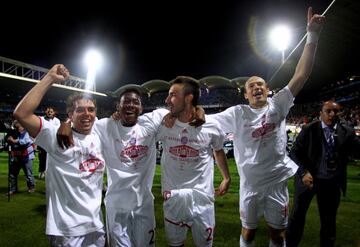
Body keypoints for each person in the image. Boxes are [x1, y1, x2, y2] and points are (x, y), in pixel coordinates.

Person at [208, 7, 324, 247]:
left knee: (278, 235)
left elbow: (301, 75)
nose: (257, 88)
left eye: (260, 84)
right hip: (250, 185)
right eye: (252, 86)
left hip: (276, 184)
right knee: (248, 233)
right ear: (245, 93)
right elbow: (204, 120)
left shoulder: (278, 104)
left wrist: (312, 35)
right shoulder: (238, 113)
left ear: (267, 88)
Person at [56, 85, 205, 247]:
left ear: (141, 107)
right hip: (116, 206)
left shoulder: (153, 122)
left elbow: (182, 111)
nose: (130, 105)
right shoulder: (105, 126)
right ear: (118, 107)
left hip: (144, 205)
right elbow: (82, 121)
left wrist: (199, 109)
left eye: (135, 102)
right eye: (125, 102)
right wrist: (66, 123)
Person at [13, 64, 106, 247]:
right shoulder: (54, 134)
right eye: (80, 110)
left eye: (91, 109)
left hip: (96, 226)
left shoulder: (101, 132)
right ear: (70, 114)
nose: (86, 114)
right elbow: (21, 113)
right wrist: (50, 78)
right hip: (67, 231)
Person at [157, 76, 231, 247]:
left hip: (202, 198)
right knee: (175, 244)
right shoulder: (163, 124)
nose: (167, 100)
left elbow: (218, 150)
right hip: (173, 196)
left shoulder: (211, 125)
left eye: (172, 95)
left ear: (189, 98)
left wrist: (226, 177)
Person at [286, 101, 360, 247]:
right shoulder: (309, 129)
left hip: (331, 183)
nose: (333, 114)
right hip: (308, 180)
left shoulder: (347, 132)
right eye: (328, 111)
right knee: (297, 218)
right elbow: (294, 153)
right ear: (320, 113)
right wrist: (303, 173)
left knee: (329, 222)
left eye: (336, 111)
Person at [6, 120, 36, 195]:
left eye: (18, 127)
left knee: (28, 174)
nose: (17, 129)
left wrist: (13, 140)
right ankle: (13, 189)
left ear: (23, 126)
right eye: (16, 127)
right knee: (12, 173)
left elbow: (24, 142)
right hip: (16, 155)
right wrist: (9, 140)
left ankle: (31, 187)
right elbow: (9, 141)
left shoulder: (28, 132)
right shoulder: (16, 133)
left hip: (27, 157)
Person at [38, 106, 61, 179]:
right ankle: (41, 172)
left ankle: (50, 172)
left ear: (54, 113)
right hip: (42, 142)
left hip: (52, 143)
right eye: (48, 111)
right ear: (45, 112)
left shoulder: (57, 121)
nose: (49, 113)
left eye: (51, 112)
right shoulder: (41, 119)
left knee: (52, 159)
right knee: (42, 158)